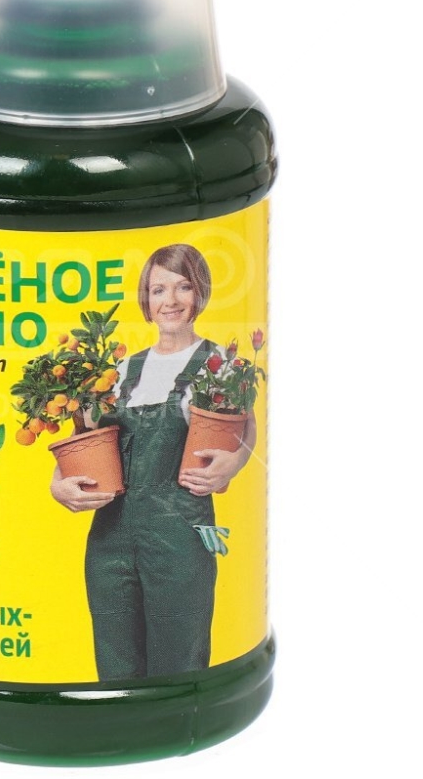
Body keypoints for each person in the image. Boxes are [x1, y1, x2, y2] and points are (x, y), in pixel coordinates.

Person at [50, 244, 256, 680]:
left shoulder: (219, 365)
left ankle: (175, 720)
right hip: (111, 535)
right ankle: (121, 718)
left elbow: (245, 426)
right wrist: (58, 484)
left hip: (181, 532)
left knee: (179, 657)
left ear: (200, 292)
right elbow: (85, 438)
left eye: (183, 287)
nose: (171, 300)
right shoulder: (121, 370)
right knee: (115, 658)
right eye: (158, 289)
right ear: (146, 299)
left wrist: (236, 461)